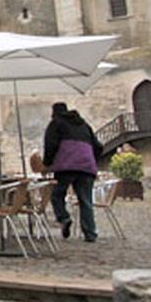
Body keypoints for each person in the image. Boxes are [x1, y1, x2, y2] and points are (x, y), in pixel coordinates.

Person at [43, 102, 103, 242]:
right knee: (86, 201)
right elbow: (99, 147)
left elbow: (50, 145)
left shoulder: (56, 123)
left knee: (57, 194)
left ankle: (64, 218)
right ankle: (90, 234)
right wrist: (91, 160)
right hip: (86, 167)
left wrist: (47, 164)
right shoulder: (84, 125)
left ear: (54, 112)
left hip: (66, 165)